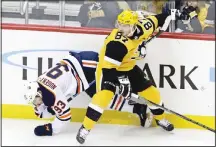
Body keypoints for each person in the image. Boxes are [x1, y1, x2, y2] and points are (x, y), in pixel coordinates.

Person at [76, 9, 178, 144]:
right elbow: (108, 71)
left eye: (125, 25)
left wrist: (177, 14)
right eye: (120, 24)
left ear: (134, 26)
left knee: (152, 94)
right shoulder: (117, 44)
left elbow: (160, 18)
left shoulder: (144, 27)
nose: (121, 28)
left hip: (128, 67)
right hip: (108, 69)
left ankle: (160, 119)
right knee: (103, 96)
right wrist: (122, 82)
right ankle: (85, 128)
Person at [23, 51, 153, 136]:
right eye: (34, 103)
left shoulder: (51, 94)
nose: (35, 103)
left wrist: (49, 128)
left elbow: (65, 117)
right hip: (81, 66)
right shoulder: (40, 83)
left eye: (35, 101)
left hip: (87, 67)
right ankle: (138, 108)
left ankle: (139, 102)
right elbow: (45, 110)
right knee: (100, 98)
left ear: (37, 94)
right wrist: (47, 109)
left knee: (103, 96)